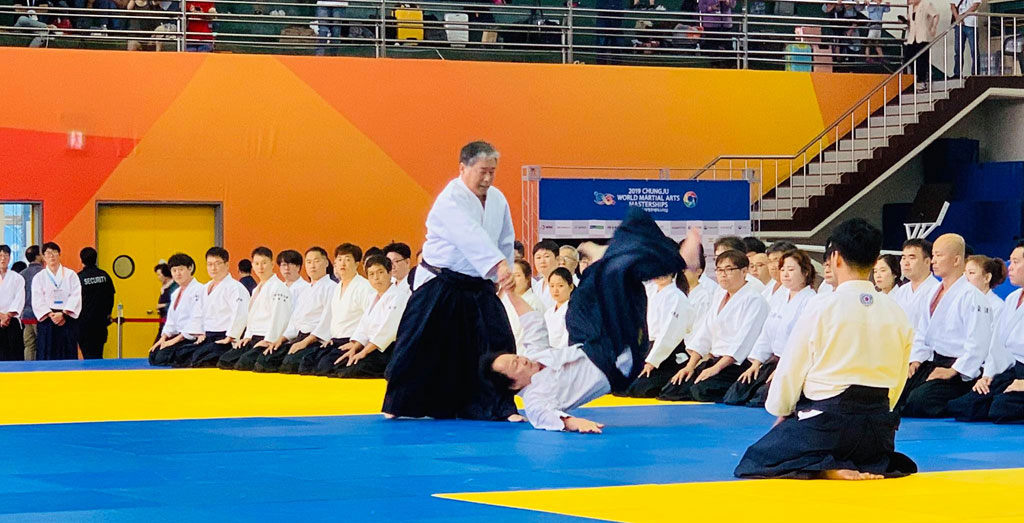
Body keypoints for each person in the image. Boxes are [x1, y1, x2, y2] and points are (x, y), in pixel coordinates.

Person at [484, 208, 698, 432]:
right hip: (615, 359)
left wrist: (510, 293)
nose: (521, 360)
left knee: (579, 302)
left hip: (588, 341)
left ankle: (599, 262)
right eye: (515, 365)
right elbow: (545, 418)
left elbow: (532, 322)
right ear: (515, 384)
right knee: (614, 275)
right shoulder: (536, 398)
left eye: (515, 357)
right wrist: (576, 423)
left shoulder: (535, 355)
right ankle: (676, 262)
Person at [734, 218, 917, 480]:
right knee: (871, 453)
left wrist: (784, 410)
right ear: (876, 259)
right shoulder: (896, 311)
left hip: (828, 424)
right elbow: (898, 380)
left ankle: (825, 466)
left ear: (836, 259)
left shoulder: (823, 306)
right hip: (877, 430)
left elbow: (791, 368)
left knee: (757, 458)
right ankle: (856, 462)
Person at [382, 141, 520, 421]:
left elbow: (505, 237)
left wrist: (503, 272)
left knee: (497, 340)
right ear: (463, 168)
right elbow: (469, 234)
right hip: (440, 282)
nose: (488, 178)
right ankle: (403, 405)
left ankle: (498, 406)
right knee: (420, 343)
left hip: (479, 282)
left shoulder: (498, 199)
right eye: (482, 171)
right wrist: (497, 264)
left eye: (492, 172)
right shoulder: (450, 199)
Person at [659, 249, 769, 402]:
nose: (723, 274)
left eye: (729, 270)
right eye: (719, 270)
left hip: (735, 364)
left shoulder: (754, 300)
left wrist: (716, 368)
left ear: (744, 271)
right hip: (714, 359)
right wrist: (690, 365)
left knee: (701, 390)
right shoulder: (720, 295)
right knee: (672, 389)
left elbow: (743, 341)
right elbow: (706, 331)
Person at [901, 234, 992, 418]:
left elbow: (978, 343)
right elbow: (922, 331)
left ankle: (965, 400)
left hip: (959, 369)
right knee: (897, 393)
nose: (933, 261)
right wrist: (915, 360)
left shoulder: (972, 296)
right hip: (933, 361)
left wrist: (953, 370)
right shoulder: (933, 292)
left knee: (919, 401)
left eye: (939, 256)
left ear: (957, 260)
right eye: (933, 255)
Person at [724, 249, 817, 407]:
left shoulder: (811, 300)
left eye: (791, 269)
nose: (785, 274)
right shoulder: (780, 298)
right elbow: (766, 333)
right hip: (771, 361)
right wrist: (756, 363)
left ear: (805, 272)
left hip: (791, 363)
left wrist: (781, 369)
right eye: (783, 269)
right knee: (735, 395)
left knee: (759, 400)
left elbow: (801, 341)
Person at [947, 241, 1024, 422]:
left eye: (1015, 262)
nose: (1010, 267)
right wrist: (988, 375)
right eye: (1010, 261)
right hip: (1013, 370)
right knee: (963, 407)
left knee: (1001, 408)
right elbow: (998, 343)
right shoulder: (1013, 299)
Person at [279, 243, 374, 375]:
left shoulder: (364, 287)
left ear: (357, 263)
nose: (343, 264)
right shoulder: (338, 287)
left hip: (352, 340)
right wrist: (330, 337)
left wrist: (358, 342)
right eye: (339, 260)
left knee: (327, 368)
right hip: (334, 340)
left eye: (347, 260)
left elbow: (369, 318)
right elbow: (331, 319)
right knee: (307, 364)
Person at [254, 247, 336, 373]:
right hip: (298, 336)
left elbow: (326, 321)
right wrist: (281, 339)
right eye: (308, 262)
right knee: (265, 360)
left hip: (315, 339)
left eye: (316, 261)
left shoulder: (331, 288)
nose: (312, 266)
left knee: (291, 365)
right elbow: (294, 320)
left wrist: (305, 342)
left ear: (326, 263)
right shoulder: (306, 289)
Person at [330, 255, 412, 378]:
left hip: (386, 349)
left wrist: (363, 352)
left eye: (380, 272)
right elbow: (363, 327)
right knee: (336, 365)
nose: (376, 278)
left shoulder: (398, 297)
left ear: (390, 273)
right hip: (369, 346)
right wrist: (355, 347)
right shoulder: (372, 297)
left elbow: (387, 331)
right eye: (371, 274)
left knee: (350, 371)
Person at [217, 247, 294, 371]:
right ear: (252, 265)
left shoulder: (278, 287)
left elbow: (279, 317)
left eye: (264, 263)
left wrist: (269, 340)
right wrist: (247, 336)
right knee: (225, 360)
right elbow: (251, 317)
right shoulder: (256, 289)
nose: (261, 267)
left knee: (247, 364)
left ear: (272, 264)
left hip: (268, 338)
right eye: (257, 264)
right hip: (254, 337)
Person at [170, 247, 248, 367]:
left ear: (227, 265)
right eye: (210, 264)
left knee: (200, 360)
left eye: (217, 264)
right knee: (181, 355)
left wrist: (230, 336)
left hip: (224, 337)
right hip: (208, 336)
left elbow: (240, 313)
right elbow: (199, 313)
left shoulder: (235, 287)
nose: (213, 268)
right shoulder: (205, 287)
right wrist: (199, 333)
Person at [623, 270, 692, 397]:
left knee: (639, 388)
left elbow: (670, 333)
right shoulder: (649, 291)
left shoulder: (677, 297)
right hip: (647, 347)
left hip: (668, 353)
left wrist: (652, 361)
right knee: (622, 385)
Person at [149, 253, 204, 366]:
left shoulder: (200, 290)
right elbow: (171, 321)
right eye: (174, 270)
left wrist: (173, 341)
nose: (177, 274)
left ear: (190, 268)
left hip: (190, 337)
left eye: (181, 269)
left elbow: (196, 320)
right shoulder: (175, 293)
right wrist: (163, 339)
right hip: (178, 336)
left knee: (163, 357)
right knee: (153, 356)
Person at [31, 242, 83, 360]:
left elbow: (75, 295)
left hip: (66, 318)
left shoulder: (71, 275)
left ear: (59, 254)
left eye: (54, 252)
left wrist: (64, 314)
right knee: (47, 354)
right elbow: (37, 299)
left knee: (67, 353)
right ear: (43, 257)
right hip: (48, 319)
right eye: (48, 253)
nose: (52, 256)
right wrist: (50, 314)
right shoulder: (39, 277)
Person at [76, 247, 116, 360]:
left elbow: (74, 300)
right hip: (101, 323)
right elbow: (111, 297)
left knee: (87, 355)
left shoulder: (79, 278)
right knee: (98, 354)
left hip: (84, 324)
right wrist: (108, 314)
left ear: (81, 260)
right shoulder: (105, 276)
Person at [890, 238, 940, 323]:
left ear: (927, 261)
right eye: (903, 258)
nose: (906, 263)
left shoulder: (936, 290)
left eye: (912, 258)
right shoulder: (901, 291)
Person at [501, 259, 545, 353]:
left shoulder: (533, 302)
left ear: (527, 278)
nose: (513, 279)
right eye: (510, 275)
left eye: (517, 275)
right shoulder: (505, 300)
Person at [905, 0, 940, 90]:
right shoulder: (910, 7)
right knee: (908, 57)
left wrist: (933, 27)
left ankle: (922, 81)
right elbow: (911, 20)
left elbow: (936, 15)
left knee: (922, 59)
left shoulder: (926, 4)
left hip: (923, 35)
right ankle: (916, 77)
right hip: (913, 36)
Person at [0, 245, 26, 361]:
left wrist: (8, 316)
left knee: (14, 355)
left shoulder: (17, 278)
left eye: (6, 255)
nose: (3, 259)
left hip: (12, 321)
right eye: (0, 255)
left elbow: (19, 298)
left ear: (10, 258)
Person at [965, 254, 1008, 319]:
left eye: (971, 273)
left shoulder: (997, 307)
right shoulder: (963, 302)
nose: (966, 277)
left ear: (987, 278)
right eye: (965, 273)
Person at [20, 245, 43, 360]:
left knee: (29, 345)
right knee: (43, 345)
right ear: (38, 256)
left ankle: (28, 369)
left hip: (26, 315)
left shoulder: (21, 274)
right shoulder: (44, 273)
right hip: (41, 316)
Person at [542, 267, 575, 349]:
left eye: (560, 286)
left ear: (571, 287)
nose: (555, 290)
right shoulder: (548, 313)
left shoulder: (572, 310)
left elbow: (566, 340)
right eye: (552, 286)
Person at [950, 0, 981, 79]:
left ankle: (975, 73)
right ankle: (957, 73)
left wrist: (963, 16)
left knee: (974, 50)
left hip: (971, 24)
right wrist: (957, 17)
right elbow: (952, 5)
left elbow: (976, 5)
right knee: (958, 50)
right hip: (959, 24)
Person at [531, 240, 560, 310]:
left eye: (546, 256)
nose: (542, 261)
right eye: (538, 257)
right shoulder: (537, 285)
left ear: (558, 259)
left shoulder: (563, 282)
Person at [154, 262, 177, 342]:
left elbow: (177, 304)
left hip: (170, 321)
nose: (158, 277)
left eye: (159, 275)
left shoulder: (174, 287)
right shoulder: (164, 287)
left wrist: (163, 306)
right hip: (163, 320)